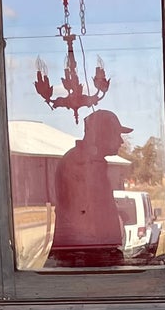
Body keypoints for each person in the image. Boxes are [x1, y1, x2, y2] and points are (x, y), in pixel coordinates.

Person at [47, 108, 133, 267]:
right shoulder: (82, 163)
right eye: (117, 134)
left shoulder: (91, 161)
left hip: (88, 258)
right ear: (103, 134)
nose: (121, 141)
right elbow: (89, 222)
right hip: (83, 261)